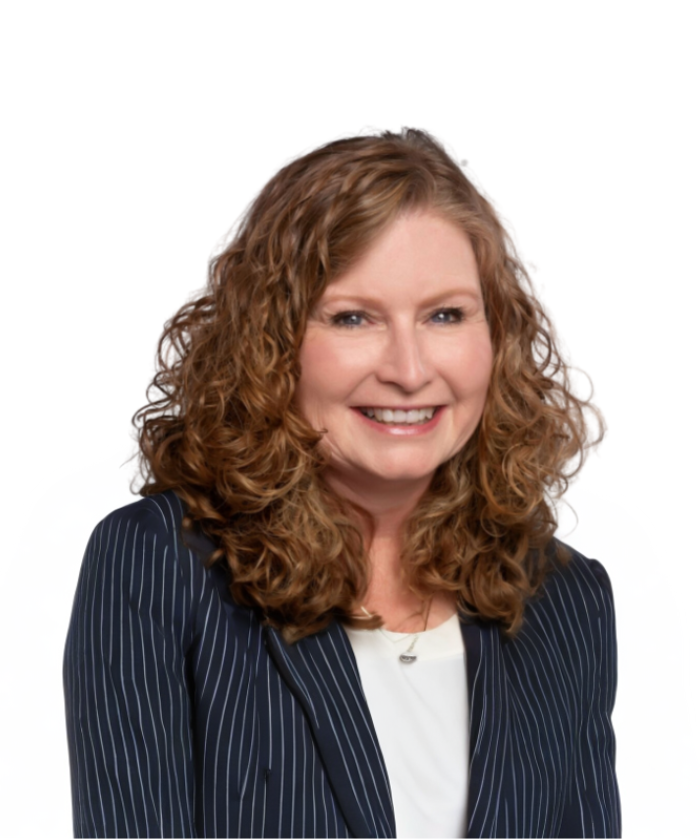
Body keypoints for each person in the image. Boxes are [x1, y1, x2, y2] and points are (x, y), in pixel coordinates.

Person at [63, 128, 621, 838]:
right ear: (272, 341)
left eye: (445, 315)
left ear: (497, 336)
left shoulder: (567, 601)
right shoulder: (158, 568)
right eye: (354, 317)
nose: (410, 370)